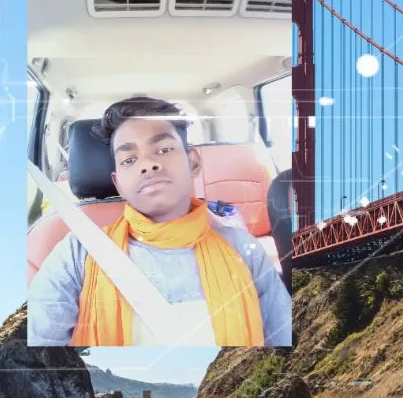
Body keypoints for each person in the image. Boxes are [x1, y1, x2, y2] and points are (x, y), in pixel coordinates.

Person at [28, 95, 291, 347]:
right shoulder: (77, 253)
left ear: (193, 162)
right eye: (129, 159)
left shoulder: (243, 250)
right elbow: (39, 355)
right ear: (118, 183)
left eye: (163, 149)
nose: (148, 164)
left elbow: (282, 341)